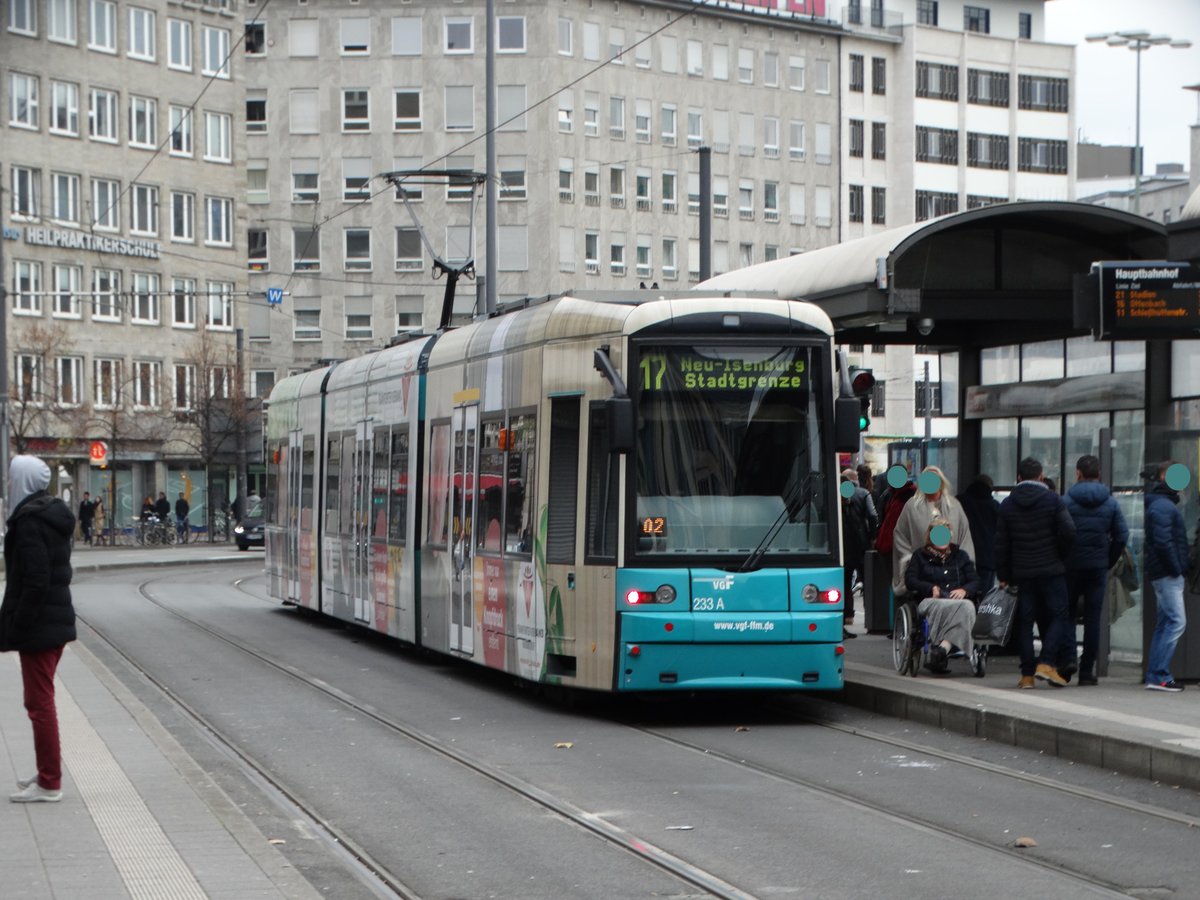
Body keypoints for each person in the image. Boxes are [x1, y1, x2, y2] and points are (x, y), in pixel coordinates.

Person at [0, 455, 77, 802]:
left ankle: (50, 782)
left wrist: (18, 625)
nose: (7, 483)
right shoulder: (49, 515)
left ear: (23, 481)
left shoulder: (30, 522)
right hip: (53, 621)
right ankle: (48, 770)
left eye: (11, 478)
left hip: (40, 626)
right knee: (40, 700)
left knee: (39, 703)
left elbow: (35, 580)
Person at [995, 457, 1076, 689]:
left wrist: (1003, 574)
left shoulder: (1007, 505)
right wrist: (1060, 555)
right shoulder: (1053, 500)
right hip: (1051, 570)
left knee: (1024, 622)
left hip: (1022, 572)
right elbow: (1069, 531)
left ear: (1018, 478)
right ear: (1041, 477)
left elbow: (1001, 544)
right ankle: (1047, 662)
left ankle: (1027, 676)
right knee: (1060, 615)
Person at [1063, 455, 1129, 686]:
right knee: (1093, 618)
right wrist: (1108, 559)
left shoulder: (1067, 501)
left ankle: (1069, 658)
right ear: (1098, 474)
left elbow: (1058, 532)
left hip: (1070, 566)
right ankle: (1086, 671)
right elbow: (1122, 535)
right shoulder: (1110, 502)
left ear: (1078, 473)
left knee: (1068, 614)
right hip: (1097, 567)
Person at [904, 520, 981, 673]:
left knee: (967, 606)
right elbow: (910, 580)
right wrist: (930, 588)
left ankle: (942, 649)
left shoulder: (961, 556)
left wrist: (964, 590)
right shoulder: (920, 556)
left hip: (957, 601)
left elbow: (975, 580)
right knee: (960, 608)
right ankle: (943, 649)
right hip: (931, 600)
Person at [891, 466, 975, 600]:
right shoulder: (912, 507)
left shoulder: (955, 506)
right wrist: (911, 560)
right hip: (923, 572)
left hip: (953, 571)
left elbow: (964, 537)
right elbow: (900, 536)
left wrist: (965, 566)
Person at [1142, 461, 1189, 692]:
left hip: (1163, 573)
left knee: (1165, 623)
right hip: (1167, 574)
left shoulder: (1162, 504)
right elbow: (1163, 542)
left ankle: (1155, 674)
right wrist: (1176, 568)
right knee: (1177, 622)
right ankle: (1160, 675)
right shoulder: (1162, 506)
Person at [840, 468, 877, 639]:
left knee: (846, 582)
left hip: (845, 545)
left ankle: (848, 615)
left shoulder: (838, 492)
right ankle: (872, 617)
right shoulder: (863, 493)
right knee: (868, 583)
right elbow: (872, 515)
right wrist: (872, 536)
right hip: (862, 545)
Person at [957, 475, 1000, 594]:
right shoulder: (994, 506)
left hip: (963, 555)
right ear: (989, 488)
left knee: (964, 593)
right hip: (987, 558)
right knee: (985, 596)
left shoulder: (960, 501)